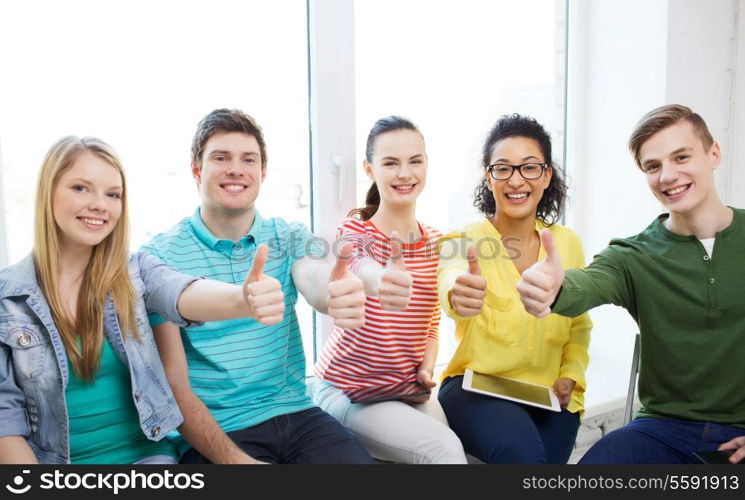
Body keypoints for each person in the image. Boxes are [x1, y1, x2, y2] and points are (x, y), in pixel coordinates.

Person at [0, 136, 287, 464]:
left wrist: (240, 300)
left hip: (147, 460)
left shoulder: (135, 271)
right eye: (80, 188)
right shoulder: (8, 298)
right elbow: (5, 425)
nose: (99, 204)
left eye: (113, 194)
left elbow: (181, 292)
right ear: (48, 192)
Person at [142, 108, 374, 464]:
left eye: (248, 159)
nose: (236, 168)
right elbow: (175, 387)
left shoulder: (289, 235)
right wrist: (238, 462)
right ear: (196, 170)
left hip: (297, 414)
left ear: (262, 173)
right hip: (217, 430)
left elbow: (315, 279)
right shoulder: (158, 258)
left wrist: (332, 293)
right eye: (221, 158)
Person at [517, 104, 745, 464]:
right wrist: (552, 287)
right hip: (662, 430)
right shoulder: (633, 255)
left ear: (713, 153)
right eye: (653, 166)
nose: (667, 176)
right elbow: (587, 283)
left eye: (681, 157)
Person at [437, 114, 592, 464]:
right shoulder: (462, 240)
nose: (516, 180)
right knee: (521, 455)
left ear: (547, 175)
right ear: (488, 176)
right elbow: (451, 279)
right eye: (503, 168)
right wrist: (458, 292)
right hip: (475, 389)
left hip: (548, 395)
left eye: (530, 168)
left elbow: (579, 326)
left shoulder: (566, 244)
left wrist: (571, 375)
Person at [312, 116, 467, 464]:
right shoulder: (355, 230)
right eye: (390, 163)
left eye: (415, 161)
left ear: (427, 164)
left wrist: (426, 369)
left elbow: (429, 325)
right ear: (369, 169)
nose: (404, 173)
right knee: (446, 451)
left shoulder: (439, 243)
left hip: (407, 391)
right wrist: (381, 279)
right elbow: (358, 265)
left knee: (450, 447)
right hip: (349, 393)